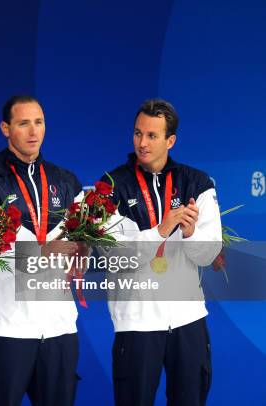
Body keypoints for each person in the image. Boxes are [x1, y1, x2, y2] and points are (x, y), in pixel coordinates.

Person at [0, 95, 84, 405]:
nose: (33, 131)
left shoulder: (66, 182)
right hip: (7, 331)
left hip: (59, 331)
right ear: (6, 128)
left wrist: (82, 251)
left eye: (39, 122)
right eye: (23, 123)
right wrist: (45, 252)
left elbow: (85, 242)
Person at [102, 99, 222, 405]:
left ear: (170, 140)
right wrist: (161, 230)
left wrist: (192, 233)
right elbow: (115, 256)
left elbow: (207, 255)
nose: (142, 143)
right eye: (138, 133)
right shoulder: (111, 187)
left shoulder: (197, 183)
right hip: (137, 323)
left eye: (152, 136)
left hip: (188, 321)